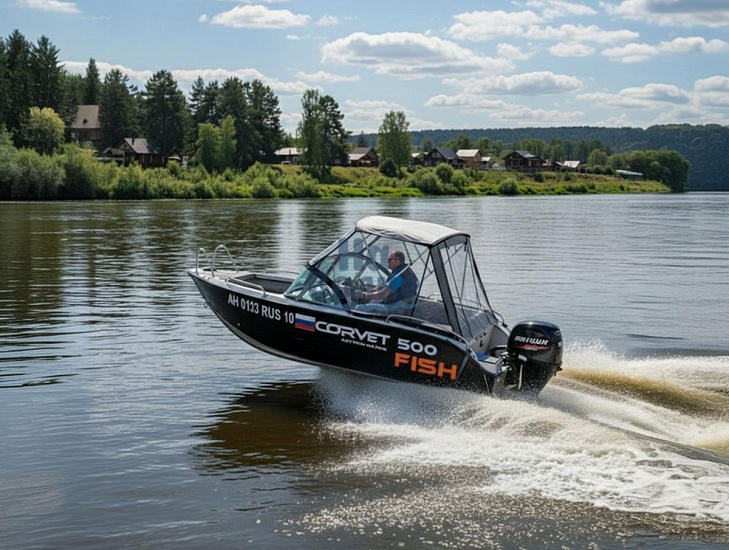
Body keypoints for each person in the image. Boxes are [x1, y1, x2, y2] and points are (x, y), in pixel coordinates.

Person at [356, 250, 418, 314]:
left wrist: (363, 295)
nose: (388, 262)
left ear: (397, 261)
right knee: (372, 301)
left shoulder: (398, 277)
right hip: (399, 305)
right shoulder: (405, 272)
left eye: (390, 260)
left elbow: (382, 294)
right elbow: (387, 287)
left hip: (392, 309)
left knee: (358, 308)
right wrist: (372, 290)